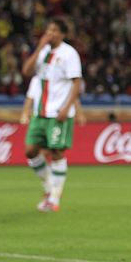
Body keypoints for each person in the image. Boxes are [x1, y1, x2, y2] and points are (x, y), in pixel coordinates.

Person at [21, 18, 83, 212]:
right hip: (40, 112)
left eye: (54, 30)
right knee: (30, 151)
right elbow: (26, 72)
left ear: (63, 34)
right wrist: (39, 48)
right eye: (48, 29)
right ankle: (49, 187)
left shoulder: (69, 54)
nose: (50, 33)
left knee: (56, 152)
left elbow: (76, 82)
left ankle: (54, 199)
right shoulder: (43, 52)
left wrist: (67, 107)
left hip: (58, 112)